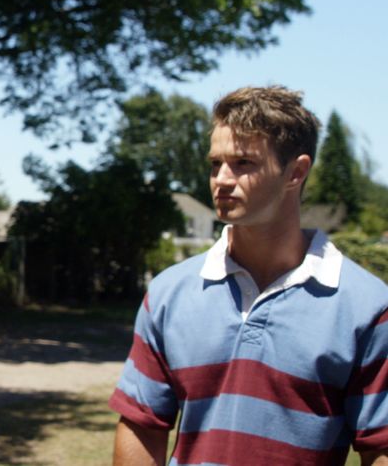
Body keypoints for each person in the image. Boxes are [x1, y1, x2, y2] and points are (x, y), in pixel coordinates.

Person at [109, 86, 388, 465]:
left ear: (296, 172)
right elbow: (143, 424)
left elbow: (380, 446)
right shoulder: (168, 293)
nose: (221, 179)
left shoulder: (366, 307)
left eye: (243, 163)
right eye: (214, 164)